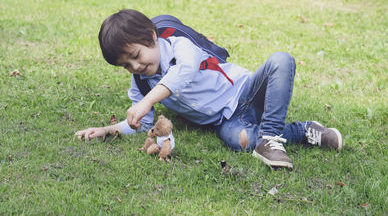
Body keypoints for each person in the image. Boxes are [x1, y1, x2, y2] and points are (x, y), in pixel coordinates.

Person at [75, 9, 343, 169]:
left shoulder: (180, 45)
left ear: (152, 37)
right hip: (226, 119)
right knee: (240, 141)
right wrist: (108, 130)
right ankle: (300, 131)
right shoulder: (141, 84)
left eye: (136, 55)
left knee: (281, 60)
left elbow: (185, 72)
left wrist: (147, 102)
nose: (135, 66)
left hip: (247, 90)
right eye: (126, 65)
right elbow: (143, 124)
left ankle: (270, 138)